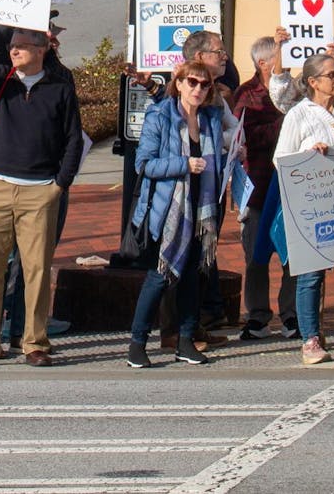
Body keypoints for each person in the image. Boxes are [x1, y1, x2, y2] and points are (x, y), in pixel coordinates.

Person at [0, 16, 83, 368]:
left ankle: (34, 343)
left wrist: (59, 184)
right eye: (12, 44)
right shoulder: (0, 81)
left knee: (36, 270)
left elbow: (73, 139)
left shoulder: (59, 88)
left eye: (24, 44)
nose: (15, 49)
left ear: (41, 49)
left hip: (39, 192)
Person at [125, 61, 231, 367]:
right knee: (159, 277)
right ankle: (137, 343)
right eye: (192, 82)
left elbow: (225, 145)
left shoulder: (210, 118)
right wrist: (184, 164)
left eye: (205, 84)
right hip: (167, 209)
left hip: (201, 209)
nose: (198, 89)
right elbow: (143, 165)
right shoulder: (160, 115)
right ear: (180, 83)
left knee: (191, 278)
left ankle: (186, 341)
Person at [273, 52, 334, 365]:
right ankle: (310, 338)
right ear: (313, 82)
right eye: (331, 74)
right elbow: (281, 159)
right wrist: (310, 155)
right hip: (314, 206)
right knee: (311, 274)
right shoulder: (299, 115)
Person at [230, 36, 297, 340]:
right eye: (281, 57)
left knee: (292, 256)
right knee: (256, 256)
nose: (287, 64)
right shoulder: (247, 94)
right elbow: (243, 136)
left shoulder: (297, 90)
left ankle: (292, 314)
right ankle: (257, 316)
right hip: (258, 186)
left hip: (291, 187)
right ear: (263, 63)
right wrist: (284, 124)